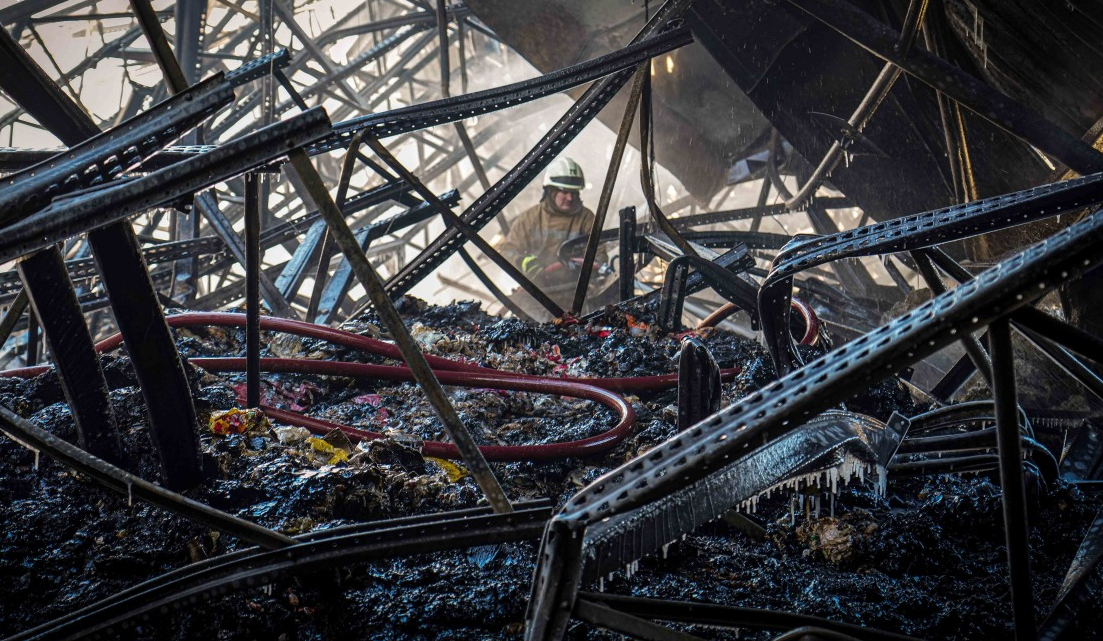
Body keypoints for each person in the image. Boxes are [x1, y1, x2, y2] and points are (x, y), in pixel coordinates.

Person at [496, 157, 608, 297]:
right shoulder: (530, 218)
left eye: (574, 192)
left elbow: (599, 255)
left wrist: (590, 267)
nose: (570, 198)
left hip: (577, 290)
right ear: (551, 191)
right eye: (564, 192)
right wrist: (524, 262)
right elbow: (507, 251)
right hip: (538, 291)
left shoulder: (586, 218)